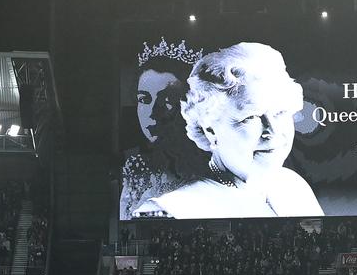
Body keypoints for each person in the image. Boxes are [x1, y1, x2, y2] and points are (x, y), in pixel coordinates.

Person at [132, 42, 324, 219]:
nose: (272, 132)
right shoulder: (170, 210)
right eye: (250, 117)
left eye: (280, 112)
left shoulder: (293, 185)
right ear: (210, 130)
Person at [119, 39, 208, 219]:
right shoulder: (135, 166)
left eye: (166, 101)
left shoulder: (213, 164)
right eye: (144, 100)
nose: (151, 113)